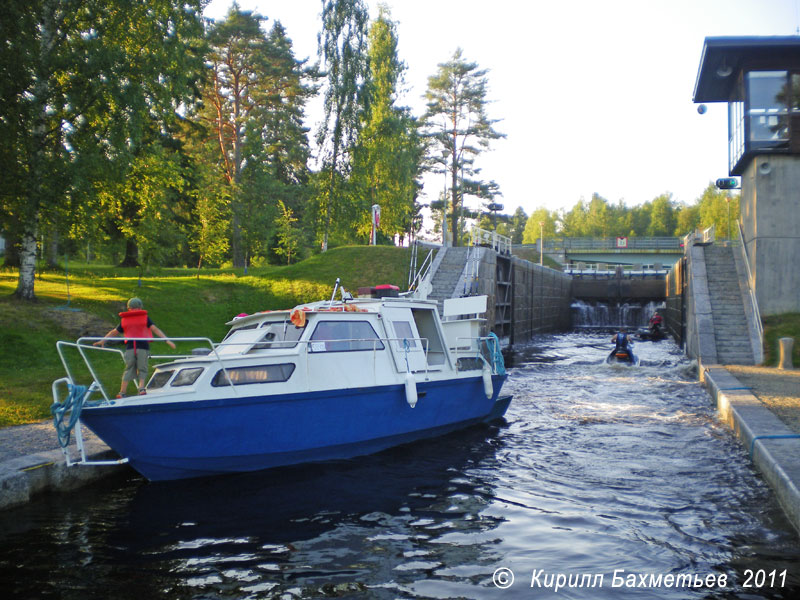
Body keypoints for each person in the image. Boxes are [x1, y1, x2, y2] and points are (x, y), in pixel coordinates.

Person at [94, 298, 176, 397]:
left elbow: (114, 332)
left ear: (129, 308)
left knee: (129, 369)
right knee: (142, 368)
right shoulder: (144, 318)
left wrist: (103, 340)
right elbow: (155, 329)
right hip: (142, 347)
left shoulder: (125, 319)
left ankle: (122, 392)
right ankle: (141, 389)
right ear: (140, 307)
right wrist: (167, 340)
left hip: (130, 348)